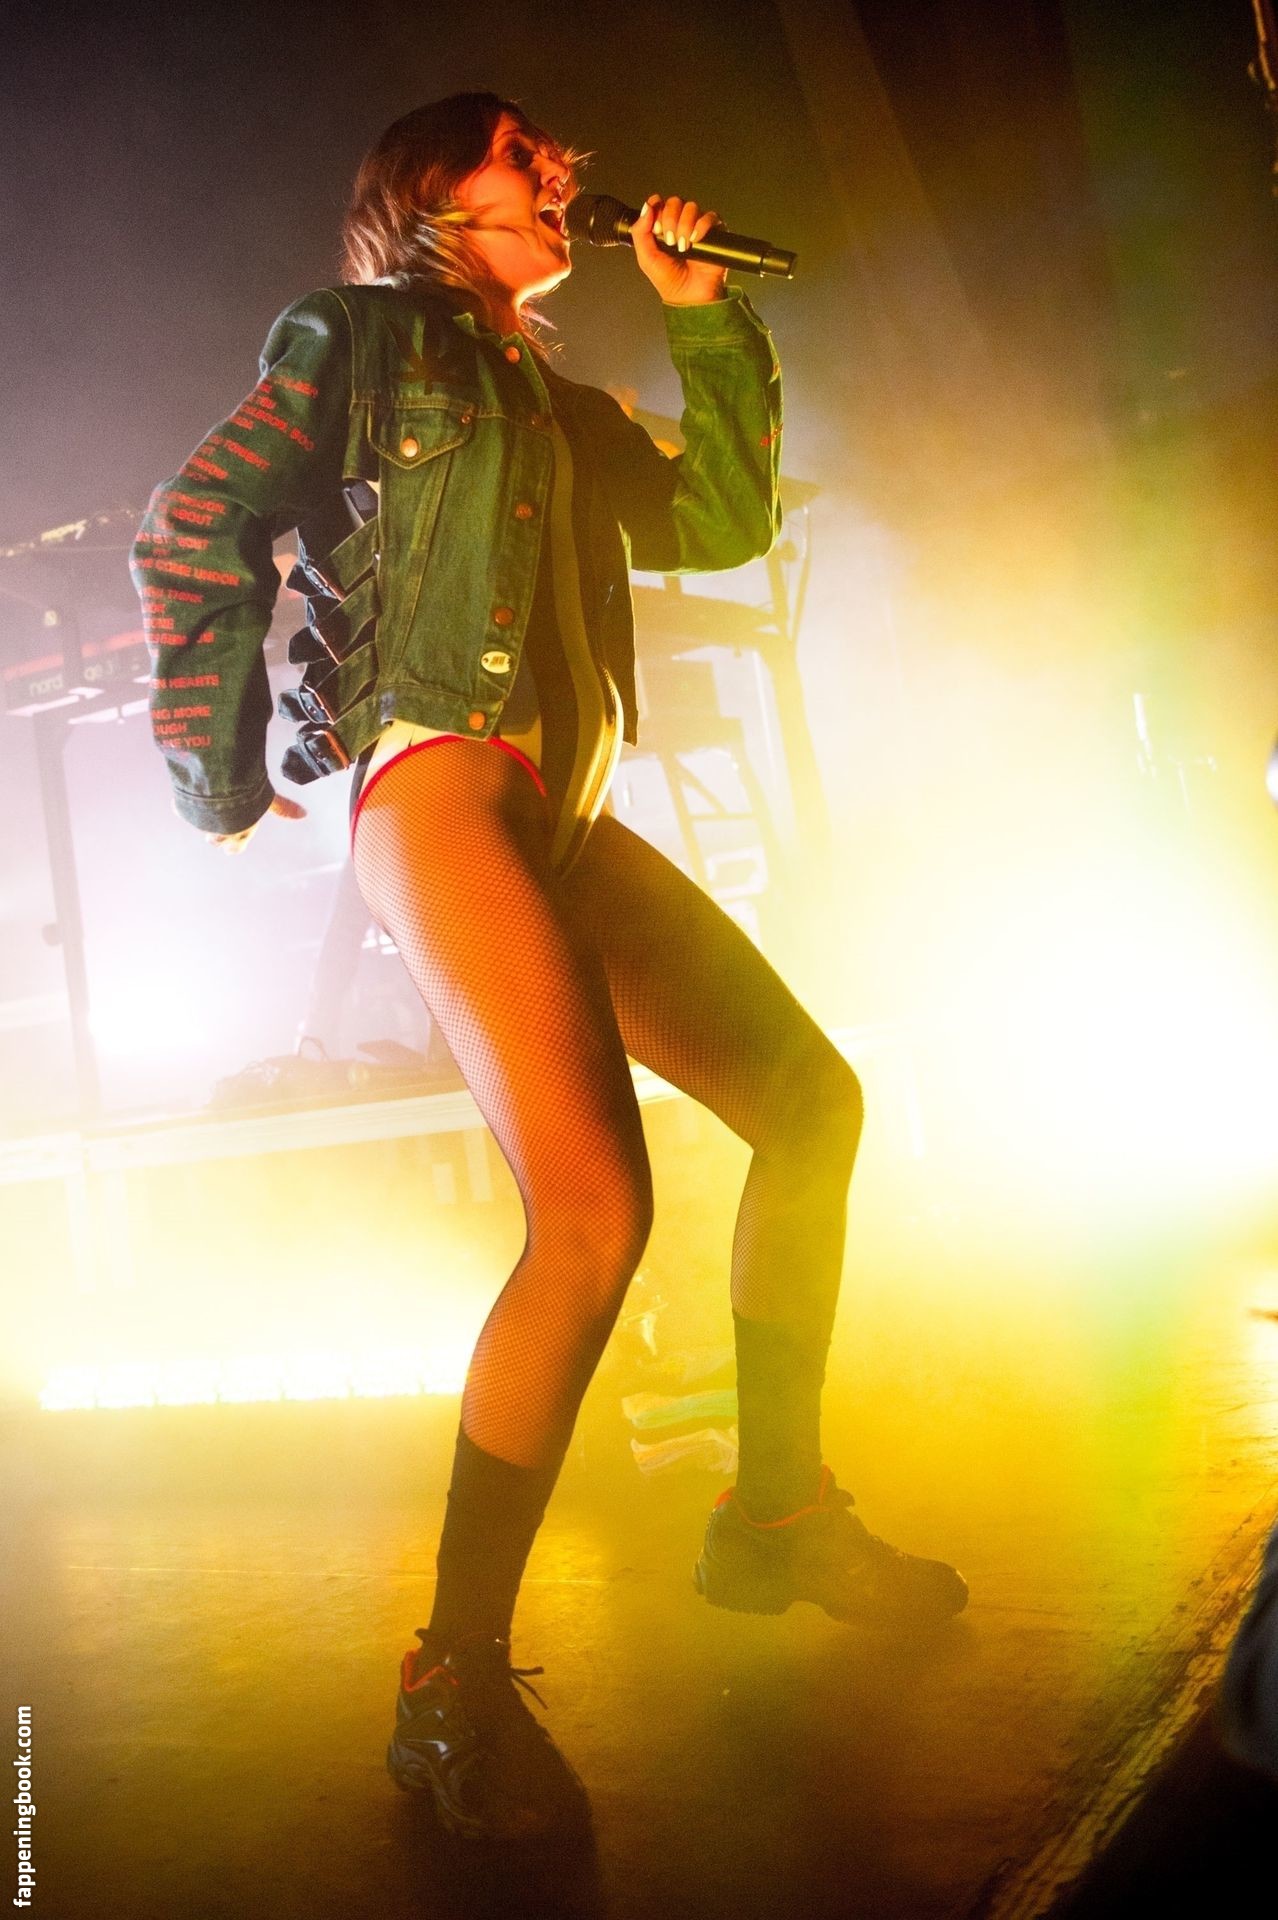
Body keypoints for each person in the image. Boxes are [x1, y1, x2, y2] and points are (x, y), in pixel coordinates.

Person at [131, 91, 968, 1843]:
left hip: (558, 807)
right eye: (520, 154)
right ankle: (447, 1680)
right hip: (438, 775)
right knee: (592, 1213)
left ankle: (776, 1516)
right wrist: (216, 771)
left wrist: (702, 320)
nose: (559, 172)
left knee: (809, 1103)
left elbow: (719, 521)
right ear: (430, 199)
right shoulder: (355, 338)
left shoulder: (560, 402)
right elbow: (194, 520)